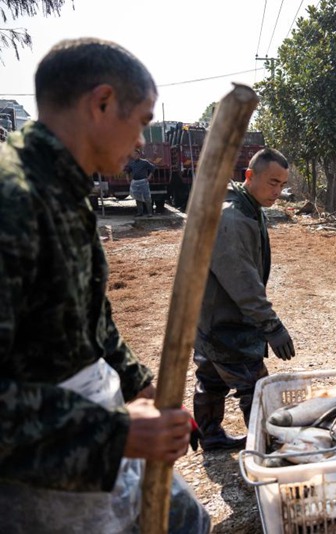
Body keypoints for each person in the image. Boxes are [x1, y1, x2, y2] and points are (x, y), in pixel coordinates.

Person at [0, 38, 208, 532]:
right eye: (140, 121)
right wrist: (114, 434)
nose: (141, 142)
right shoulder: (14, 202)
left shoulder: (65, 189)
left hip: (92, 425)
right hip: (41, 476)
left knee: (185, 518)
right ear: (101, 103)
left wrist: (139, 381)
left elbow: (89, 319)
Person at [193, 148, 296, 451]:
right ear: (249, 176)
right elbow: (244, 284)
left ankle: (209, 434)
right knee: (255, 387)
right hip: (226, 324)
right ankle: (268, 455)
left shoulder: (249, 207)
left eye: (282, 185)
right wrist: (272, 327)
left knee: (211, 377)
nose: (277, 191)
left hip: (214, 318)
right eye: (272, 182)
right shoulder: (233, 218)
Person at [125, 147, 155, 216]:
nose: (135, 156)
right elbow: (127, 171)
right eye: (134, 154)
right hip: (135, 183)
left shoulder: (144, 162)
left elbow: (152, 168)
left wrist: (149, 177)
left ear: (139, 155)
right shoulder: (132, 163)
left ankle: (150, 213)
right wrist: (128, 179)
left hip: (143, 182)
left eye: (136, 154)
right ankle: (140, 212)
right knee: (138, 198)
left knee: (147, 197)